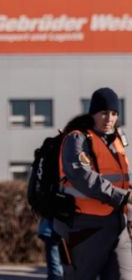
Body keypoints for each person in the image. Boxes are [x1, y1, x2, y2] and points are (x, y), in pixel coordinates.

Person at [54, 87, 132, 279]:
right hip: (86, 227)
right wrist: (121, 198)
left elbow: (125, 179)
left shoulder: (118, 141)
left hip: (117, 226)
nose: (110, 119)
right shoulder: (77, 139)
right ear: (93, 113)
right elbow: (82, 175)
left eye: (114, 113)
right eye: (104, 113)